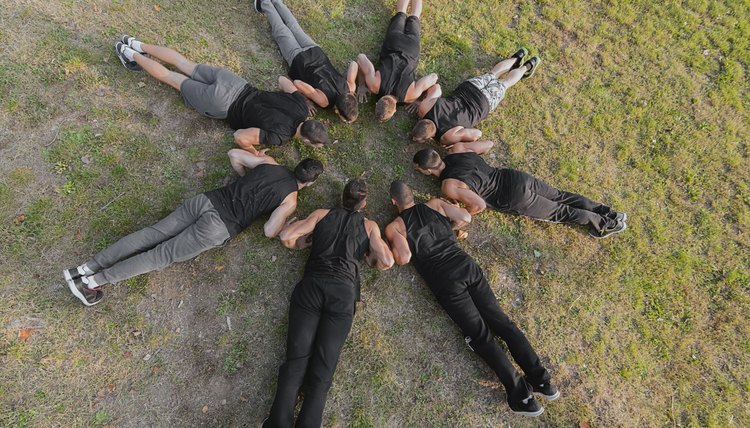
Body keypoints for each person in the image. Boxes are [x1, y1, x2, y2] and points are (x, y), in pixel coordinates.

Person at [384, 180, 559, 417]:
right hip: (466, 265)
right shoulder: (435, 204)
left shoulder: (395, 226)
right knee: (502, 323)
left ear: (394, 201)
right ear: (412, 195)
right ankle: (542, 381)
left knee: (480, 334)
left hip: (445, 280)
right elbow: (465, 218)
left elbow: (403, 257)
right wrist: (451, 229)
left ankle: (522, 396)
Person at [63, 150, 324, 306]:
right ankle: (92, 283)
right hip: (219, 226)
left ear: (296, 165)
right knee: (160, 255)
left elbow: (234, 155)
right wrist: (285, 223)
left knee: (152, 234)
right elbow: (269, 230)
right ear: (309, 183)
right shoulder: (290, 199)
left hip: (207, 200)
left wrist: (245, 179)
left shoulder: (269, 163)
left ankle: (84, 269)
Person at [262, 180, 394, 428]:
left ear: (341, 199)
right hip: (342, 295)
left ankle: (277, 422)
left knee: (296, 359)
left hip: (312, 287)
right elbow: (387, 261)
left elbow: (287, 235)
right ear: (363, 204)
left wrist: (303, 243)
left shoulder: (322, 214)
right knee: (324, 366)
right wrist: (368, 258)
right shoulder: (369, 226)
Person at [112, 35, 329, 154]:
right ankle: (128, 53)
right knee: (170, 77)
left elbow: (283, 80)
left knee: (183, 63)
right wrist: (254, 152)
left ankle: (134, 42)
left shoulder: (301, 105)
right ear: (307, 140)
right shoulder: (279, 137)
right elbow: (240, 137)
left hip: (236, 83)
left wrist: (300, 97)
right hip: (222, 104)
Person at [412, 143, 627, 238]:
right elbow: (486, 144)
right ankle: (608, 211)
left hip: (513, 198)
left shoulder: (449, 185)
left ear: (427, 170)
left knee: (560, 212)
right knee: (561, 196)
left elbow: (479, 205)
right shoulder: (458, 150)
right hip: (515, 177)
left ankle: (607, 224)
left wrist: (462, 208)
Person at [254, 0, 359, 123]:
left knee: (293, 25)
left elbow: (354, 64)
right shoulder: (324, 101)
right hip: (300, 61)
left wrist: (353, 88)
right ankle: (264, 3)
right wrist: (306, 100)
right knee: (281, 30)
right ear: (337, 111)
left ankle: (276, 2)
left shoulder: (350, 87)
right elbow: (298, 83)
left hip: (316, 52)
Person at [411, 49, 540, 145]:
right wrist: (421, 101)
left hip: (483, 103)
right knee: (493, 73)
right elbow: (437, 88)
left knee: (504, 84)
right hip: (469, 89)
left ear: (429, 138)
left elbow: (477, 134)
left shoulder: (447, 137)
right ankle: (518, 57)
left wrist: (457, 142)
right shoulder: (425, 108)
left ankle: (527, 66)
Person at [355, 0, 438, 122]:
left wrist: (420, 100)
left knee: (415, 16)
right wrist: (362, 85)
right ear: (378, 102)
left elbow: (434, 77)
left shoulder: (411, 95)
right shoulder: (375, 85)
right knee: (401, 13)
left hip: (411, 49)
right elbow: (361, 57)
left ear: (394, 110)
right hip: (393, 42)